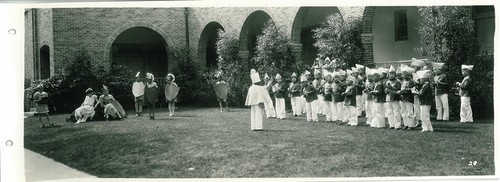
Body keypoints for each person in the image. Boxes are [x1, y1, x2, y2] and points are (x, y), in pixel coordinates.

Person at [398, 65, 417, 130]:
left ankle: (411, 125)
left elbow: (409, 90)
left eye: (403, 74)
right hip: (403, 98)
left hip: (408, 98)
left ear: (407, 74)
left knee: (409, 111)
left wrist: (401, 92)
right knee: (403, 111)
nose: (402, 75)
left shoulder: (411, 81)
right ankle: (406, 124)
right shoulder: (403, 81)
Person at [385, 65, 402, 130]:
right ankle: (391, 125)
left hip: (395, 98)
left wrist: (390, 89)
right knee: (389, 112)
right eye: (390, 74)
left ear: (395, 74)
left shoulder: (397, 82)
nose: (391, 75)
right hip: (388, 98)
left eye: (392, 74)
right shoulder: (387, 82)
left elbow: (397, 90)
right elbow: (385, 90)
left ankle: (397, 125)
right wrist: (387, 90)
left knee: (396, 112)